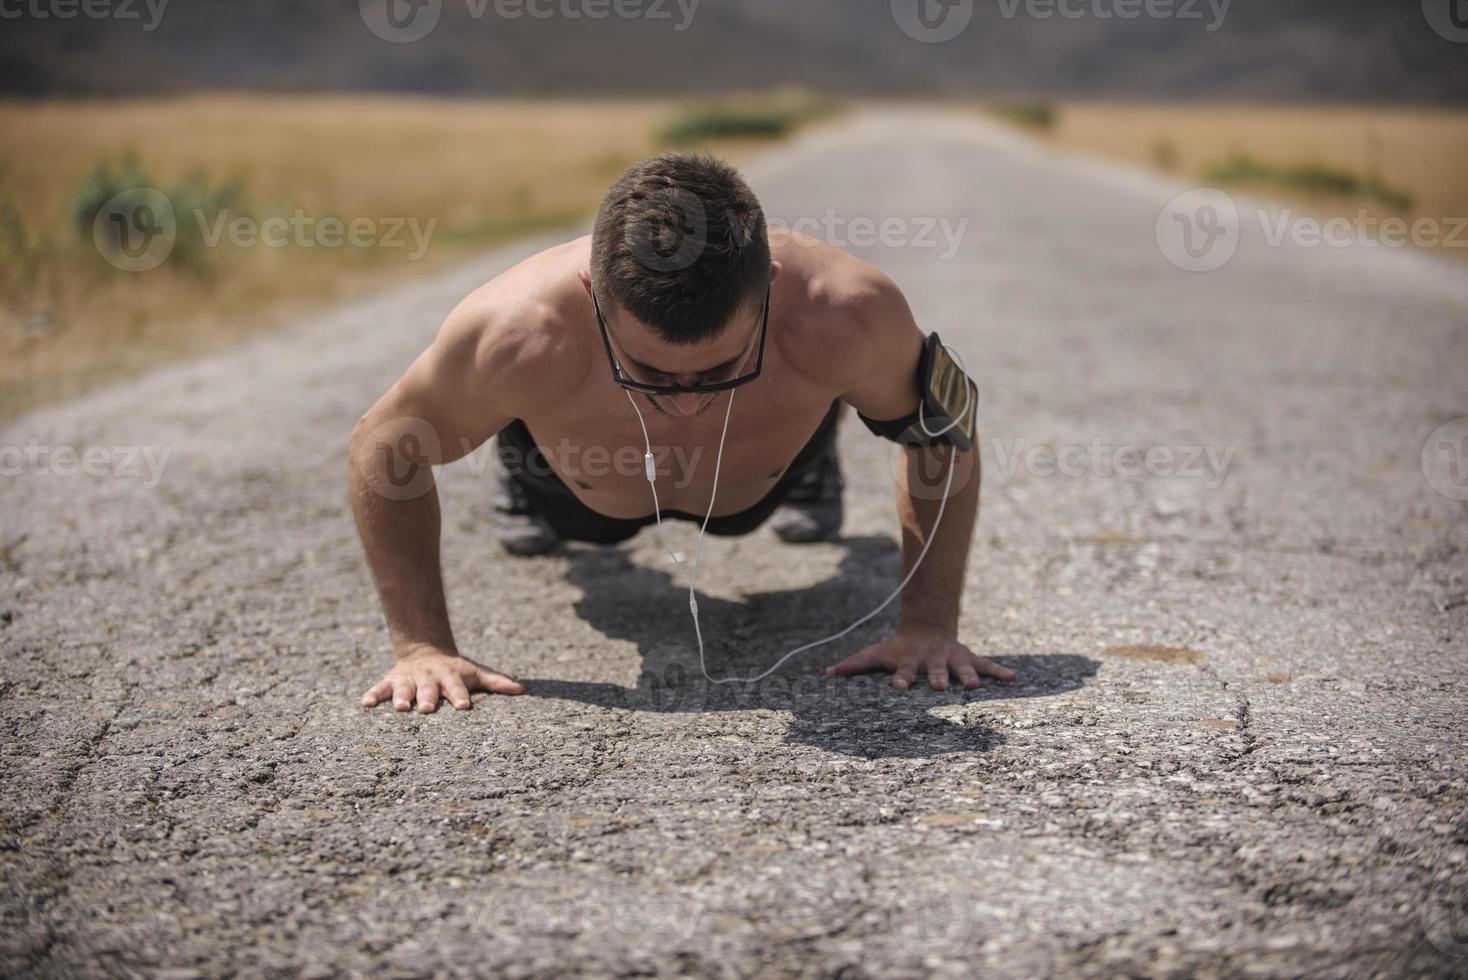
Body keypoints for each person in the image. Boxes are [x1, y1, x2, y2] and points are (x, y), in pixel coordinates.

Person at [349, 151, 1015, 713]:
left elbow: (942, 433)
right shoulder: (516, 331)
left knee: (820, 383)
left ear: (771, 286)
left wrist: (929, 626)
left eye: (722, 369)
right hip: (579, 488)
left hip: (759, 481)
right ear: (591, 290)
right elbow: (386, 446)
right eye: (651, 372)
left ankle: (818, 451)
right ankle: (523, 467)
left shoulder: (844, 312)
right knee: (585, 542)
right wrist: (422, 646)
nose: (689, 404)